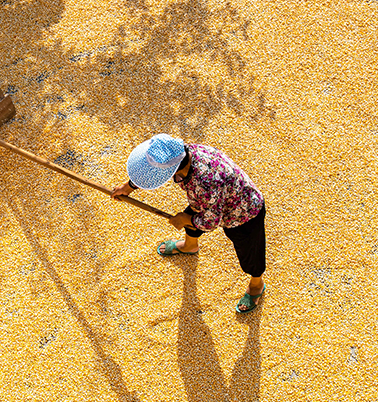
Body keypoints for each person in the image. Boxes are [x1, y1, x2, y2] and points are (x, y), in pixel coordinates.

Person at [110, 134, 267, 313]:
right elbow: (152, 171)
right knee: (191, 211)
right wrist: (128, 187)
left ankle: (257, 284)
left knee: (250, 252)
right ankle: (190, 246)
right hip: (209, 200)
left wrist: (186, 220)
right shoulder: (185, 153)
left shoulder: (205, 183)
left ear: (177, 172)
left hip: (243, 212)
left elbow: (210, 222)